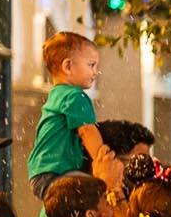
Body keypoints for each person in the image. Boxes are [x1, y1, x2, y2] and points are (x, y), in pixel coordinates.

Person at [25, 35, 115, 204]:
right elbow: (87, 131)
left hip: (42, 172)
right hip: (56, 174)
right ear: (67, 66)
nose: (96, 72)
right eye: (91, 65)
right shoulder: (75, 97)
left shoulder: (57, 94)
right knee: (96, 193)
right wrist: (103, 160)